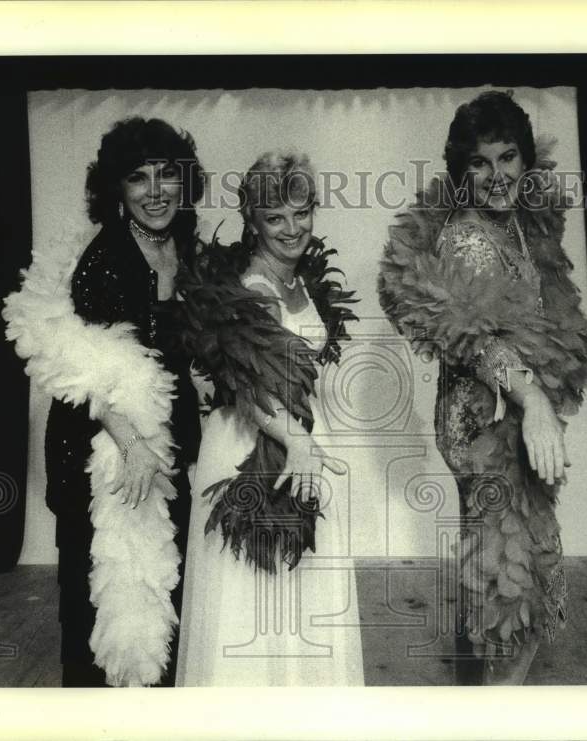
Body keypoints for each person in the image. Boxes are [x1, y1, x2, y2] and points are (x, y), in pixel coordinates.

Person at [378, 90, 587, 685]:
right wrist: (533, 400)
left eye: (507, 159)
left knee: (496, 576)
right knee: (508, 583)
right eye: (479, 162)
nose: (496, 176)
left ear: (526, 162)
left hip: (507, 418)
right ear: (460, 170)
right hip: (484, 429)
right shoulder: (469, 239)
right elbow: (467, 334)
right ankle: (495, 705)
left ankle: (485, 699)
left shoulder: (522, 222)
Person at [3, 116, 206, 687]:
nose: (155, 191)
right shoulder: (107, 259)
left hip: (159, 437)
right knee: (101, 590)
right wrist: (134, 443)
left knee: (161, 582)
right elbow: (85, 368)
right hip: (100, 443)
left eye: (167, 175)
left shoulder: (184, 246)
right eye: (138, 179)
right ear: (116, 189)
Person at [174, 151, 364, 686]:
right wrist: (297, 441)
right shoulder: (251, 288)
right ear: (251, 220)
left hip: (302, 435)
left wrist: (305, 440)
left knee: (300, 586)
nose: (291, 228)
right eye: (274, 216)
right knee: (255, 588)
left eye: (300, 213)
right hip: (252, 443)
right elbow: (245, 384)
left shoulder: (300, 281)